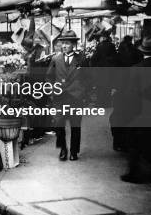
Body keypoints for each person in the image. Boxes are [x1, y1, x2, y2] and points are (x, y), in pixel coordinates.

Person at [119, 36, 151, 183]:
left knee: (134, 143)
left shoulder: (135, 69)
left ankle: (134, 173)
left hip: (138, 112)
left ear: (142, 51)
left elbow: (130, 95)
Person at [46, 30, 86, 161]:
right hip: (60, 98)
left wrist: (82, 92)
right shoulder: (55, 59)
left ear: (73, 44)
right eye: (62, 43)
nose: (64, 46)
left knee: (75, 125)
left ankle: (74, 151)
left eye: (67, 43)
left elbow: (89, 78)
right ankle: (63, 149)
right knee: (59, 123)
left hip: (75, 97)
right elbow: (49, 77)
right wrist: (53, 91)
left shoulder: (81, 59)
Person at [90, 31, 118, 107]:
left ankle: (100, 102)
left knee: (100, 86)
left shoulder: (100, 45)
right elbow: (115, 57)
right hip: (109, 69)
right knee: (108, 86)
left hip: (101, 69)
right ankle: (107, 102)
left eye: (100, 37)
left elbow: (94, 58)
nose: (99, 39)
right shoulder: (112, 45)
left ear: (103, 37)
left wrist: (93, 65)